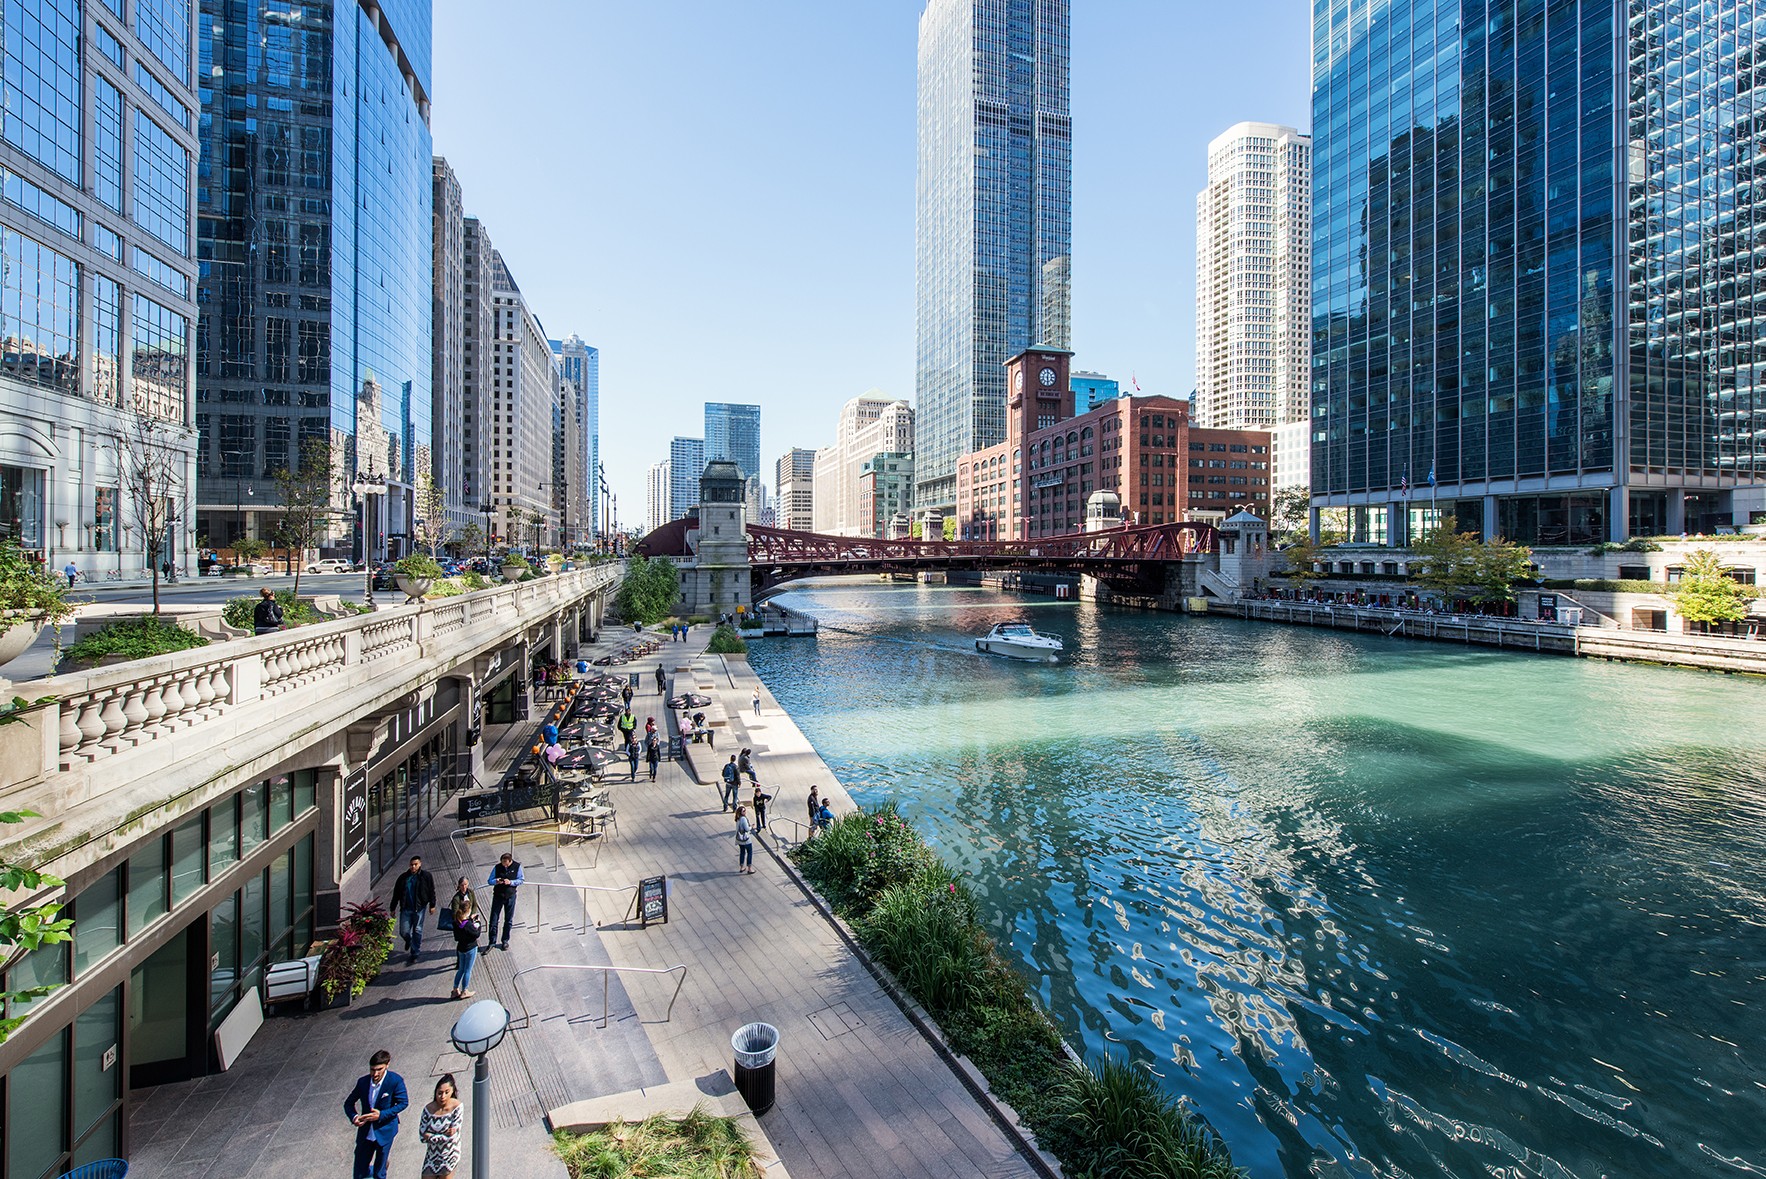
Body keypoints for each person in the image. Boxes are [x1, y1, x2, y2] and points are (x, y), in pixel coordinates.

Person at [344, 1049, 409, 1179]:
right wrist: (355, 1117)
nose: (375, 1073)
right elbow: (348, 1103)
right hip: (366, 1133)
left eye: (379, 1069)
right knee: (359, 1171)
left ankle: (382, 1165)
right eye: (372, 1070)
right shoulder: (363, 1082)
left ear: (387, 1065)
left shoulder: (394, 1081)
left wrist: (381, 1115)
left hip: (384, 1131)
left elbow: (403, 1103)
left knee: (380, 1173)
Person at [388, 855, 436, 965]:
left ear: (420, 864)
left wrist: (432, 905)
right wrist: (392, 908)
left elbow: (431, 891)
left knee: (417, 930)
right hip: (406, 909)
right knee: (404, 931)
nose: (413, 867)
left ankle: (415, 953)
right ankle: (409, 941)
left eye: (415, 864)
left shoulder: (426, 876)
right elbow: (396, 894)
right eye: (411, 865)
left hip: (419, 908)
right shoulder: (403, 878)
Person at [420, 1074, 464, 1179]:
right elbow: (422, 1136)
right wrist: (443, 1134)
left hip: (449, 1155)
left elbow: (451, 1138)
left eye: (446, 1092)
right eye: (439, 1093)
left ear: (452, 1091)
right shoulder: (428, 1109)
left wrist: (431, 1136)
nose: (442, 1096)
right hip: (431, 1156)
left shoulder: (457, 1107)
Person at [485, 852, 523, 950]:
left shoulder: (517, 867)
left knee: (508, 920)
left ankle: (505, 940)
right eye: (502, 862)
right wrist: (496, 881)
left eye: (505, 863)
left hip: (510, 896)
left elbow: (521, 880)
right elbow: (489, 881)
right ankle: (492, 942)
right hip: (498, 896)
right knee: (493, 920)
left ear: (510, 861)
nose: (503, 865)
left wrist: (511, 882)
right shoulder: (497, 867)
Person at [449, 892, 481, 999]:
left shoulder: (456, 922)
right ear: (468, 911)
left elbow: (457, 937)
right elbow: (476, 934)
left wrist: (470, 921)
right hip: (470, 948)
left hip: (461, 948)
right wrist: (478, 924)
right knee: (468, 970)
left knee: (461, 969)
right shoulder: (467, 925)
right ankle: (465, 990)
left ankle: (455, 989)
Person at [735, 803, 754, 874]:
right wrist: (751, 827)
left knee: (742, 852)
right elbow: (746, 829)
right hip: (746, 839)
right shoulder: (743, 819)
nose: (745, 812)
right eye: (744, 811)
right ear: (741, 812)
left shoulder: (738, 819)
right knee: (749, 852)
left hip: (739, 839)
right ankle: (749, 868)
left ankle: (742, 866)